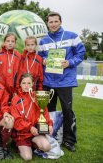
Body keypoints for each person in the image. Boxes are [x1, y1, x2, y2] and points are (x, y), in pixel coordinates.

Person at [38, 12, 86, 152]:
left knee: (67, 111)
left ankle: (69, 140)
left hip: (65, 81)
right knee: (47, 111)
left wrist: (70, 62)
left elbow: (80, 54)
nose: (53, 24)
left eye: (55, 21)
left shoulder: (72, 36)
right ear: (47, 23)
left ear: (60, 22)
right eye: (50, 22)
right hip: (48, 81)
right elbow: (39, 57)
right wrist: (43, 61)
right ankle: (50, 137)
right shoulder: (43, 41)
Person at [11, 73, 53, 161]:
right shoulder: (16, 99)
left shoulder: (38, 96)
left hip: (36, 132)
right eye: (24, 83)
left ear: (33, 84)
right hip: (22, 134)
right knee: (27, 158)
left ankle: (33, 144)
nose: (26, 86)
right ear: (20, 84)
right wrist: (29, 127)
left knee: (47, 147)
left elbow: (44, 113)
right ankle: (17, 144)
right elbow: (17, 120)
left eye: (29, 83)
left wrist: (49, 125)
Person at [0, 33, 21, 100]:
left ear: (15, 43)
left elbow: (20, 73)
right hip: (0, 87)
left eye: (12, 41)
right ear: (4, 42)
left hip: (13, 89)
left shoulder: (19, 56)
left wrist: (17, 89)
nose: (10, 43)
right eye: (8, 41)